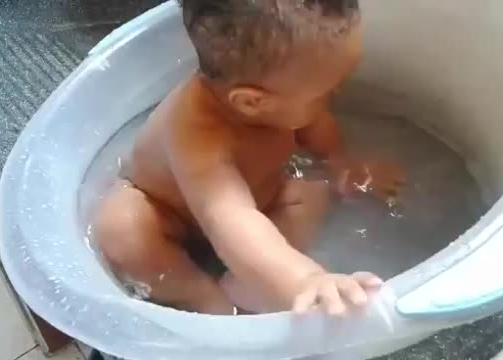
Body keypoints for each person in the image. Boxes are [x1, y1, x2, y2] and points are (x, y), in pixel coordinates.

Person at [95, 0, 405, 316]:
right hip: (168, 215)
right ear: (252, 102)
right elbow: (230, 217)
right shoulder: (197, 134)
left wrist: (342, 164)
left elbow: (316, 126)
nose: (336, 95)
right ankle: (201, 295)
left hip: (261, 201)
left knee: (311, 194)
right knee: (121, 228)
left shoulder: (277, 100)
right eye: (326, 93)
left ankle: (250, 282)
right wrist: (306, 279)